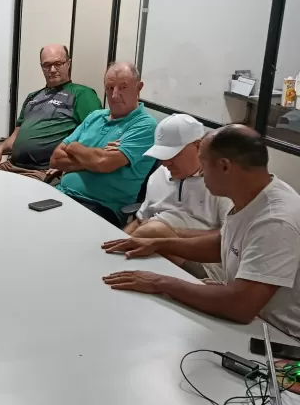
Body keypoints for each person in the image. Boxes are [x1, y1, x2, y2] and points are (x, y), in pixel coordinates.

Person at [102, 125, 300, 339]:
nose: (202, 172)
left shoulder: (275, 220)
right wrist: (159, 243)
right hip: (254, 320)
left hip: (279, 336)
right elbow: (223, 243)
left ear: (225, 166)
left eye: (203, 164)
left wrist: (159, 283)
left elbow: (240, 306)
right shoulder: (253, 194)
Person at [124, 113, 231, 280]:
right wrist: (118, 241)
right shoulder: (158, 175)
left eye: (172, 155)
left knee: (154, 230)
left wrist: (168, 232)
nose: (165, 163)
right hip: (154, 254)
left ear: (198, 146)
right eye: (162, 156)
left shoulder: (222, 183)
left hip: (203, 268)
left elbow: (229, 239)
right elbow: (140, 221)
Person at [49, 62, 157, 227]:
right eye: (109, 88)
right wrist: (96, 157)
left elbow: (103, 163)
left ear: (139, 87)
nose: (114, 95)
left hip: (99, 207)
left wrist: (73, 147)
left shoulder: (145, 125)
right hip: (61, 193)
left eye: (123, 87)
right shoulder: (95, 116)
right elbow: (56, 159)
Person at [0, 44, 102, 180]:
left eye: (58, 64)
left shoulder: (81, 94)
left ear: (68, 64)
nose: (52, 70)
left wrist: (68, 163)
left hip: (43, 171)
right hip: (11, 165)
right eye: (47, 65)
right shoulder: (32, 97)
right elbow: (15, 136)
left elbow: (96, 133)